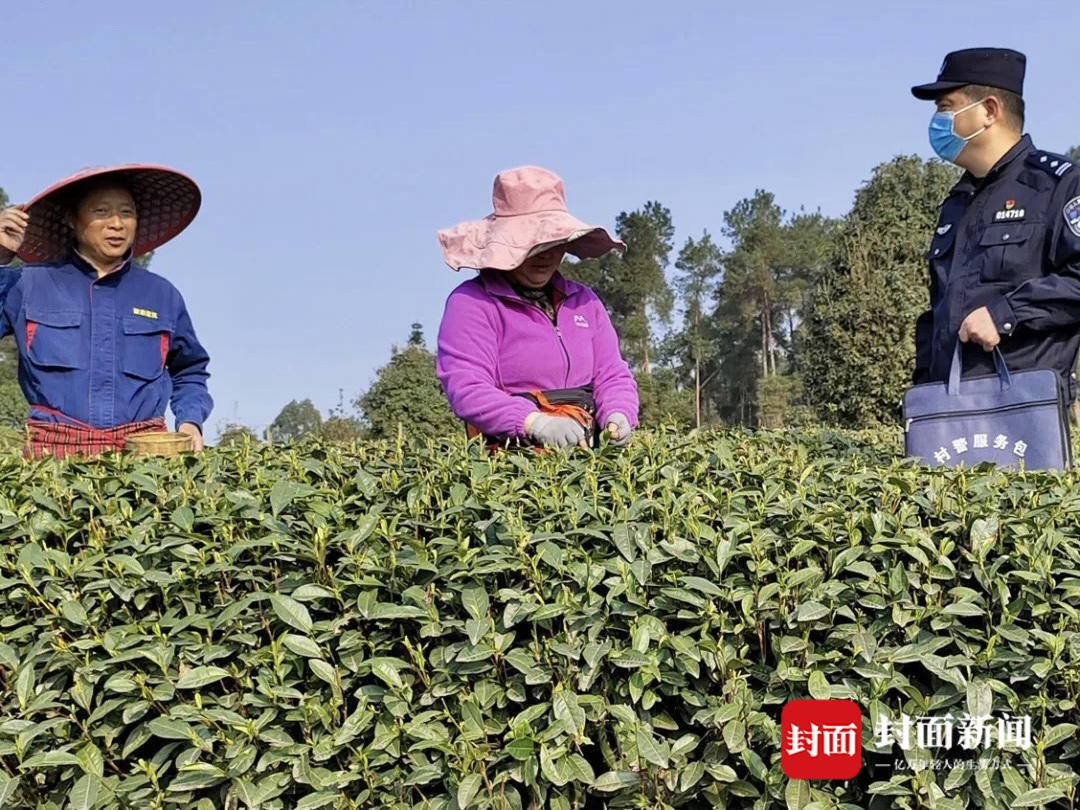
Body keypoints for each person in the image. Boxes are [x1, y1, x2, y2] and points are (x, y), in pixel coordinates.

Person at [0, 164, 213, 458]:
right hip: (51, 463)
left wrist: (190, 420)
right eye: (101, 212)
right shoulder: (27, 284)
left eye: (127, 212)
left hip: (144, 465)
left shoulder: (162, 295)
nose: (117, 223)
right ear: (72, 220)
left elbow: (189, 370)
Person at [912, 49, 1080, 400]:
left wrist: (1006, 314)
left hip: (1025, 410)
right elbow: (940, 311)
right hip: (955, 417)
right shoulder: (957, 202)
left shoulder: (1058, 185)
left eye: (946, 107)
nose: (937, 121)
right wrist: (922, 396)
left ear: (989, 111)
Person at [435, 165, 639, 449]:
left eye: (553, 243)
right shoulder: (473, 303)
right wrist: (533, 423)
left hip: (587, 453)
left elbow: (611, 373)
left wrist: (619, 413)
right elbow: (467, 387)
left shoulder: (584, 301)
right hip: (512, 462)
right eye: (533, 245)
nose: (545, 255)